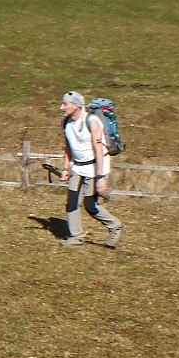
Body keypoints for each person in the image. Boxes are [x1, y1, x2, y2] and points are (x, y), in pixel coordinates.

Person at [58, 91, 123, 248]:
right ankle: (76, 236)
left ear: (76, 105)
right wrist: (66, 168)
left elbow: (99, 150)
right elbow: (68, 146)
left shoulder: (92, 121)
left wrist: (101, 178)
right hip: (78, 167)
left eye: (65, 104)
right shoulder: (66, 122)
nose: (61, 107)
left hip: (94, 168)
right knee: (71, 202)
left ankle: (115, 227)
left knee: (90, 205)